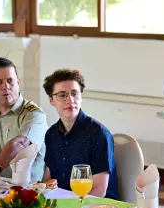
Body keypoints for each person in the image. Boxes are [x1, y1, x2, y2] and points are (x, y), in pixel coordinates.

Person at [42, 69, 118, 199]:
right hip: (62, 202)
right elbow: (48, 178)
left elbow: (99, 190)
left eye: (74, 93)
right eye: (62, 95)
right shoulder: (51, 134)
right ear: (51, 100)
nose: (70, 100)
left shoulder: (99, 134)